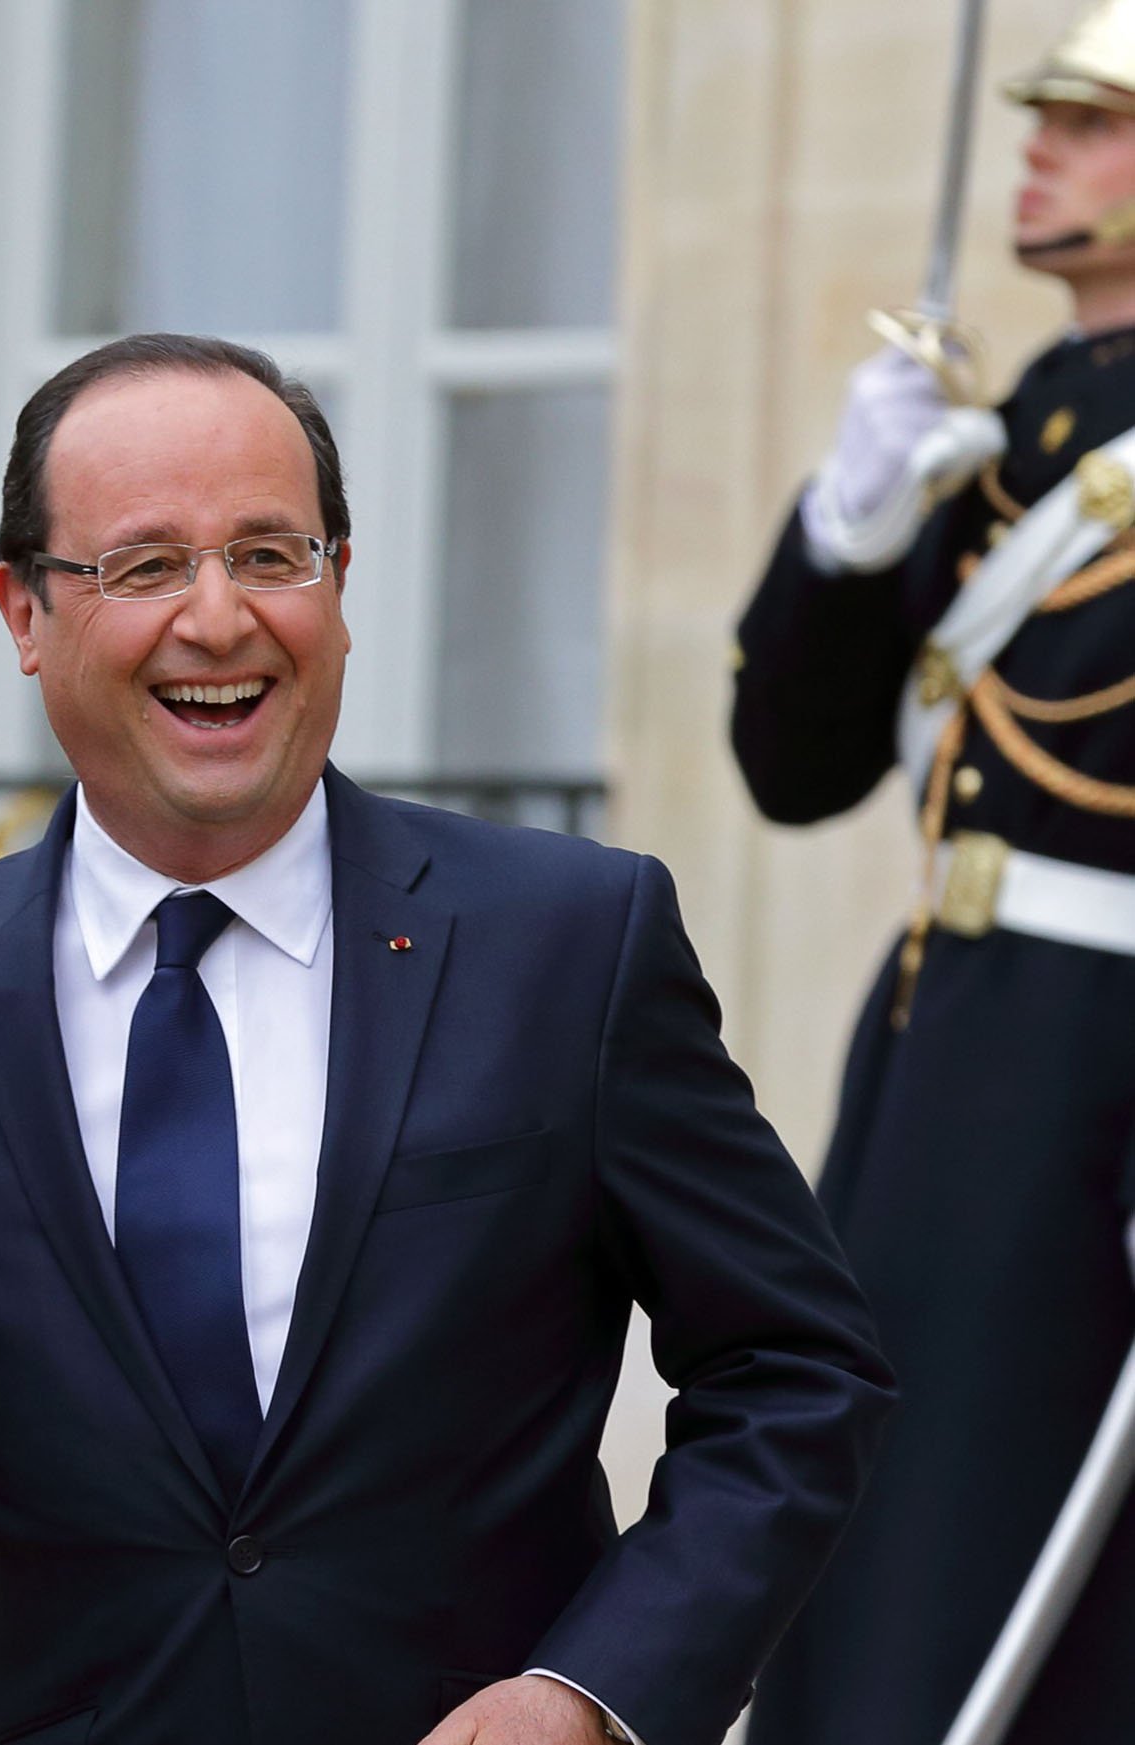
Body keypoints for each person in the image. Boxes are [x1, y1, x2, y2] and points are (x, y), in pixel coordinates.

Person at [0, 333, 896, 1745]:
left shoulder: (566, 942)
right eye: (143, 566)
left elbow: (795, 1367)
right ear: (22, 613)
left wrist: (593, 1690)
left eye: (268, 554)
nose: (218, 619)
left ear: (341, 586)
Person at [733, 6, 1135, 1741]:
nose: (1037, 143)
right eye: (1038, 110)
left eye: (1091, 117)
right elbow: (793, 767)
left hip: (1095, 1078)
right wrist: (846, 537)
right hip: (938, 1054)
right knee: (879, 1508)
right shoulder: (1009, 443)